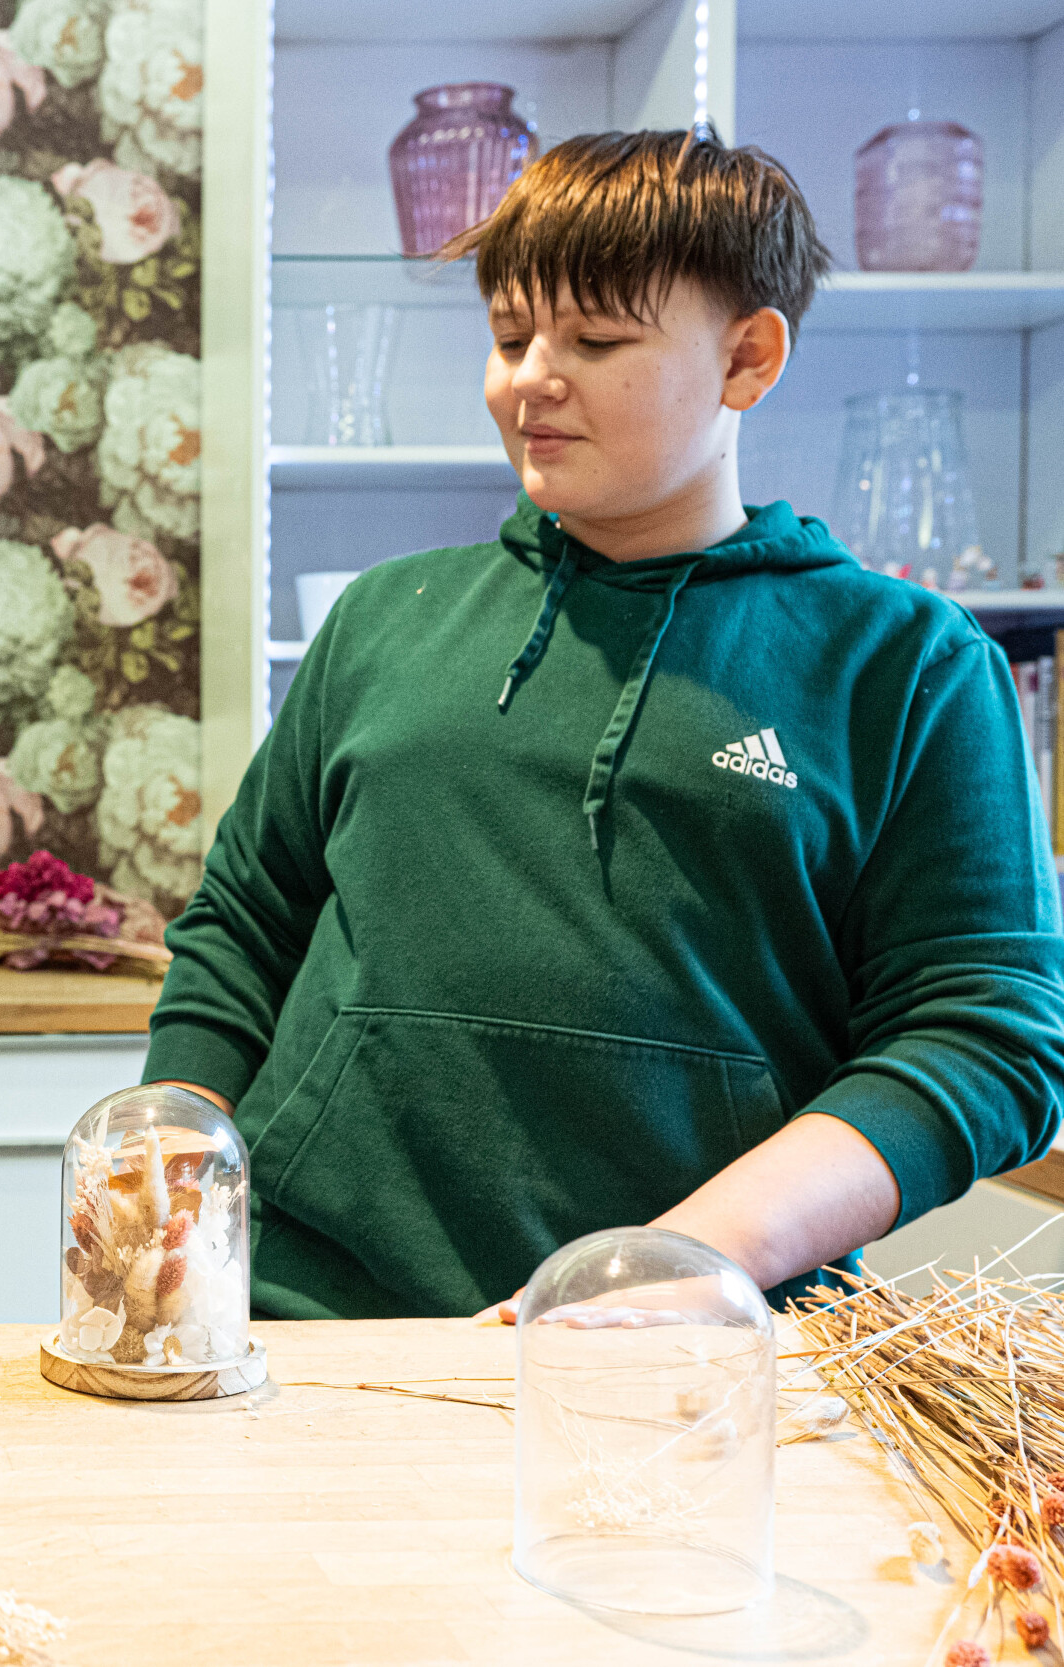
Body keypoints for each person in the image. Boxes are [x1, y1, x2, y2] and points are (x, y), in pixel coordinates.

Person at [145, 128, 1064, 1320]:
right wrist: (171, 1157)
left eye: (595, 338)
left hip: (684, 1350)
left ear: (746, 357)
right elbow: (242, 925)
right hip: (295, 1311)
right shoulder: (382, 618)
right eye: (511, 335)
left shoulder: (908, 665)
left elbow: (982, 1033)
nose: (531, 377)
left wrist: (673, 1270)